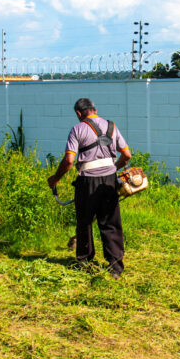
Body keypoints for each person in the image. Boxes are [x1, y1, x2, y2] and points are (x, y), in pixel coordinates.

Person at [47, 98, 132, 278]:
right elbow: (126, 155)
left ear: (79, 113)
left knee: (85, 222)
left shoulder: (77, 129)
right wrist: (112, 169)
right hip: (110, 181)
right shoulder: (112, 126)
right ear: (94, 109)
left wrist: (55, 178)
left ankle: (85, 263)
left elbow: (69, 160)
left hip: (87, 182)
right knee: (110, 222)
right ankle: (115, 267)